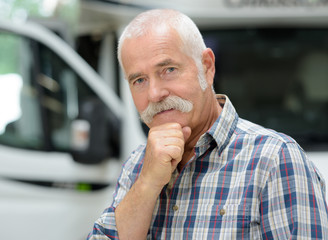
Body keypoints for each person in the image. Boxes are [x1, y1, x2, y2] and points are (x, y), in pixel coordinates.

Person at [87, 9, 328, 239]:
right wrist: (147, 183)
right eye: (139, 80)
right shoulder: (138, 165)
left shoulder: (275, 159)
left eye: (168, 69)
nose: (154, 93)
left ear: (207, 67)